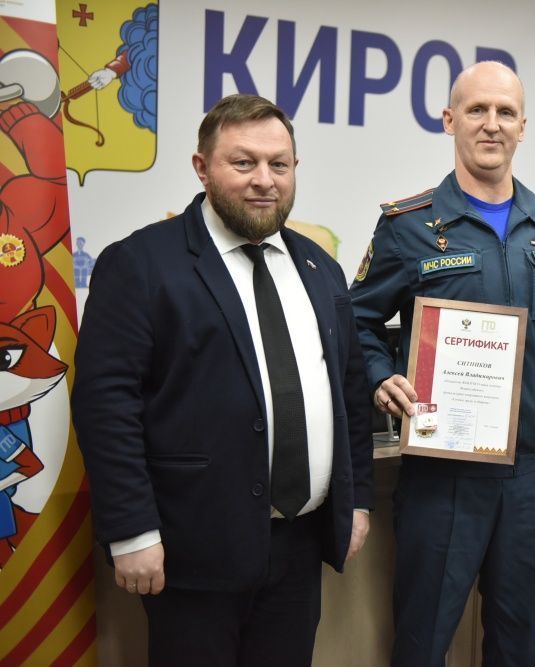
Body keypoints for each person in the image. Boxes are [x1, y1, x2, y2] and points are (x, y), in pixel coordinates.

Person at [72, 94, 374, 666]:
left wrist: (357, 501)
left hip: (299, 545)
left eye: (278, 164)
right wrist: (132, 531)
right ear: (202, 167)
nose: (264, 180)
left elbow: (349, 394)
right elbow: (105, 406)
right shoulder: (140, 264)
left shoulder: (320, 268)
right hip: (191, 549)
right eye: (243, 163)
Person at [349, 61, 535, 666]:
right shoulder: (408, 227)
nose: (492, 124)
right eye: (477, 110)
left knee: (518, 645)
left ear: (523, 127)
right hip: (444, 475)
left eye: (505, 112)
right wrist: (381, 376)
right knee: (422, 640)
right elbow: (354, 322)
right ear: (449, 120)